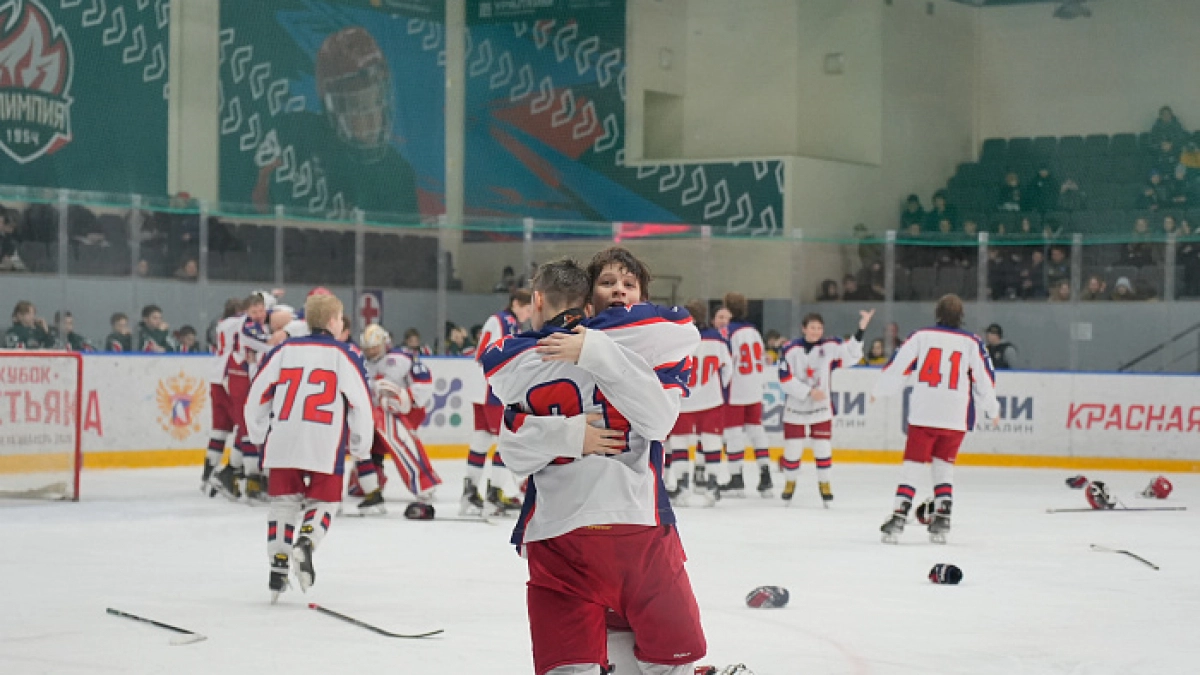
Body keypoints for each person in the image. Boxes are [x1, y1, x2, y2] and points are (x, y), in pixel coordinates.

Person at [484, 253, 706, 675]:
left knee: (658, 658)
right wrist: (571, 435)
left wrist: (595, 350)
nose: (619, 290)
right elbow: (512, 448)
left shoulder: (537, 354)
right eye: (607, 282)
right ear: (587, 301)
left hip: (626, 518)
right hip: (576, 527)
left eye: (629, 284)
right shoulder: (547, 355)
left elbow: (659, 421)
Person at [245, 293, 373, 600]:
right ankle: (306, 541)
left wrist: (258, 431)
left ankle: (278, 561)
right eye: (341, 318)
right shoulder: (344, 354)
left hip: (284, 438)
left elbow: (257, 393)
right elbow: (361, 405)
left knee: (283, 503)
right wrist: (361, 444)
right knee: (325, 502)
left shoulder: (284, 350)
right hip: (324, 442)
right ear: (332, 321)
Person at [251, 27, 418, 219]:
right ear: (331, 107)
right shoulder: (297, 135)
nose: (373, 119)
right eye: (359, 108)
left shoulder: (398, 174)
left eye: (377, 103)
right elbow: (258, 203)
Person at [873, 294, 999, 544]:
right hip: (956, 415)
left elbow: (898, 366)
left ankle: (899, 515)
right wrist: (991, 409)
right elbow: (984, 378)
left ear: (937, 312)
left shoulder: (920, 336)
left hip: (924, 412)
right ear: (961, 315)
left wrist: (880, 390)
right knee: (944, 465)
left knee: (913, 465)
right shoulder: (972, 342)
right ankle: (942, 516)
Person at [776, 310, 873, 506]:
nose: (816, 331)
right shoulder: (789, 349)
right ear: (804, 329)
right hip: (795, 408)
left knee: (822, 447)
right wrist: (809, 391)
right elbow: (784, 379)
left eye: (819, 328)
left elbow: (851, 356)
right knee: (793, 450)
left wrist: (861, 329)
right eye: (812, 327)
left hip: (821, 408)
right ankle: (790, 482)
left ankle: (825, 483)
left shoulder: (830, 346)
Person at [353, 324, 440, 514]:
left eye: (374, 347)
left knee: (398, 438)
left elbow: (424, 384)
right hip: (372, 414)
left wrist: (405, 399)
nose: (371, 351)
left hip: (401, 413)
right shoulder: (359, 361)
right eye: (367, 348)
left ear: (385, 343)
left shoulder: (403, 358)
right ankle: (372, 481)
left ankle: (423, 480)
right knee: (363, 443)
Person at [462, 289, 533, 515]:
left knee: (482, 439)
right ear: (516, 303)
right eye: (528, 308)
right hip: (491, 388)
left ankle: (469, 496)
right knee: (505, 441)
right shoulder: (508, 322)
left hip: (479, 387)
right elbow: (500, 354)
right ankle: (495, 495)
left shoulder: (498, 319)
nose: (529, 314)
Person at [208, 293, 274, 503]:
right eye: (254, 312)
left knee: (251, 428)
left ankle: (229, 473)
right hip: (241, 379)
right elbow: (268, 346)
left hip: (250, 379)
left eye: (261, 311)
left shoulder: (258, 323)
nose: (259, 315)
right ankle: (252, 480)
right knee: (248, 428)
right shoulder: (248, 326)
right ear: (246, 312)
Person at [665, 299, 730, 506]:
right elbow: (728, 369)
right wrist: (719, 389)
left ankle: (683, 484)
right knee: (712, 442)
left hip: (683, 401)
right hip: (711, 400)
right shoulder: (718, 340)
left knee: (680, 443)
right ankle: (712, 484)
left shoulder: (676, 339)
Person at [719, 292, 772, 497]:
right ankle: (766, 476)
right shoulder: (753, 330)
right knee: (757, 431)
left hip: (736, 388)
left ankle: (736, 478)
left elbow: (727, 364)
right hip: (755, 387)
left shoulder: (727, 332)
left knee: (733, 434)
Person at [202, 298, 247, 491]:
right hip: (230, 376)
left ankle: (207, 476)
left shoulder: (221, 324)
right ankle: (231, 471)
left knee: (219, 430)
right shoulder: (238, 322)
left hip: (216, 377)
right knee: (243, 426)